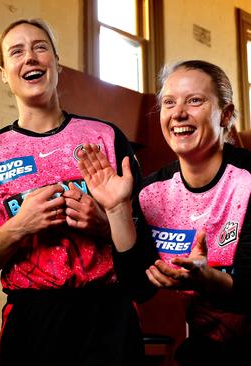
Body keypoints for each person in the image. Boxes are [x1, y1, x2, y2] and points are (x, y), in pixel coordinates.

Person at [0, 18, 144, 365]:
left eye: (40, 47)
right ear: (3, 72)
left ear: (56, 61)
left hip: (108, 314)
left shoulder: (108, 138)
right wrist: (20, 225)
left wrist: (103, 223)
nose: (30, 58)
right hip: (33, 321)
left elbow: (145, 242)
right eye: (17, 51)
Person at [78, 60, 251, 365]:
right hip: (210, 348)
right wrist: (117, 209)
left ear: (225, 114)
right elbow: (138, 287)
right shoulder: (152, 192)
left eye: (195, 100)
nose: (178, 113)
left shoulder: (248, 179)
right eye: (169, 102)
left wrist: (208, 279)